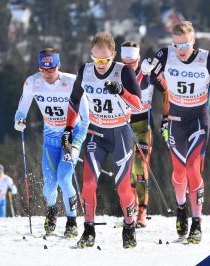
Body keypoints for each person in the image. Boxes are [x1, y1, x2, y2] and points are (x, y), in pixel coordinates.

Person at [141, 21, 210, 243]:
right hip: (175, 120)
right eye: (176, 45)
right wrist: (144, 70)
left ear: (193, 41)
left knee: (193, 170)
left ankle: (196, 221)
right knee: (179, 173)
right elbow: (145, 82)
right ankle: (181, 207)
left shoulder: (207, 59)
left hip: (198, 121)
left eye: (184, 46)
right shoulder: (166, 55)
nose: (180, 51)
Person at [63, 32, 142, 249]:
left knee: (124, 189)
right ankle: (88, 230)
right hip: (96, 133)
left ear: (113, 55)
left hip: (120, 135)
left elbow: (138, 105)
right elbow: (74, 101)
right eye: (96, 59)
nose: (100, 64)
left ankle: (129, 226)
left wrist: (122, 91)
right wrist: (69, 128)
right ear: (91, 55)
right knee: (88, 185)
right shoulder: (85, 71)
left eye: (105, 60)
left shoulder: (123, 71)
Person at [14, 48, 89, 238]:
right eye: (43, 69)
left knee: (64, 179)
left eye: (51, 69)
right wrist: (19, 120)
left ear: (59, 65)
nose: (47, 74)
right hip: (50, 139)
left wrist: (76, 142)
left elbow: (86, 120)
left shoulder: (72, 82)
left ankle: (71, 221)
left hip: (70, 137)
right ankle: (52, 211)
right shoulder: (33, 82)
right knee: (49, 184)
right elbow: (22, 108)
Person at [120, 40, 169, 228]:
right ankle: (130, 209)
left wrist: (165, 117)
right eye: (125, 63)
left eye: (132, 63)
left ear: (138, 59)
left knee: (140, 167)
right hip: (122, 125)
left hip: (143, 124)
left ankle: (142, 210)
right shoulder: (116, 71)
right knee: (127, 171)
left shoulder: (149, 72)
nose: (129, 67)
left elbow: (166, 92)